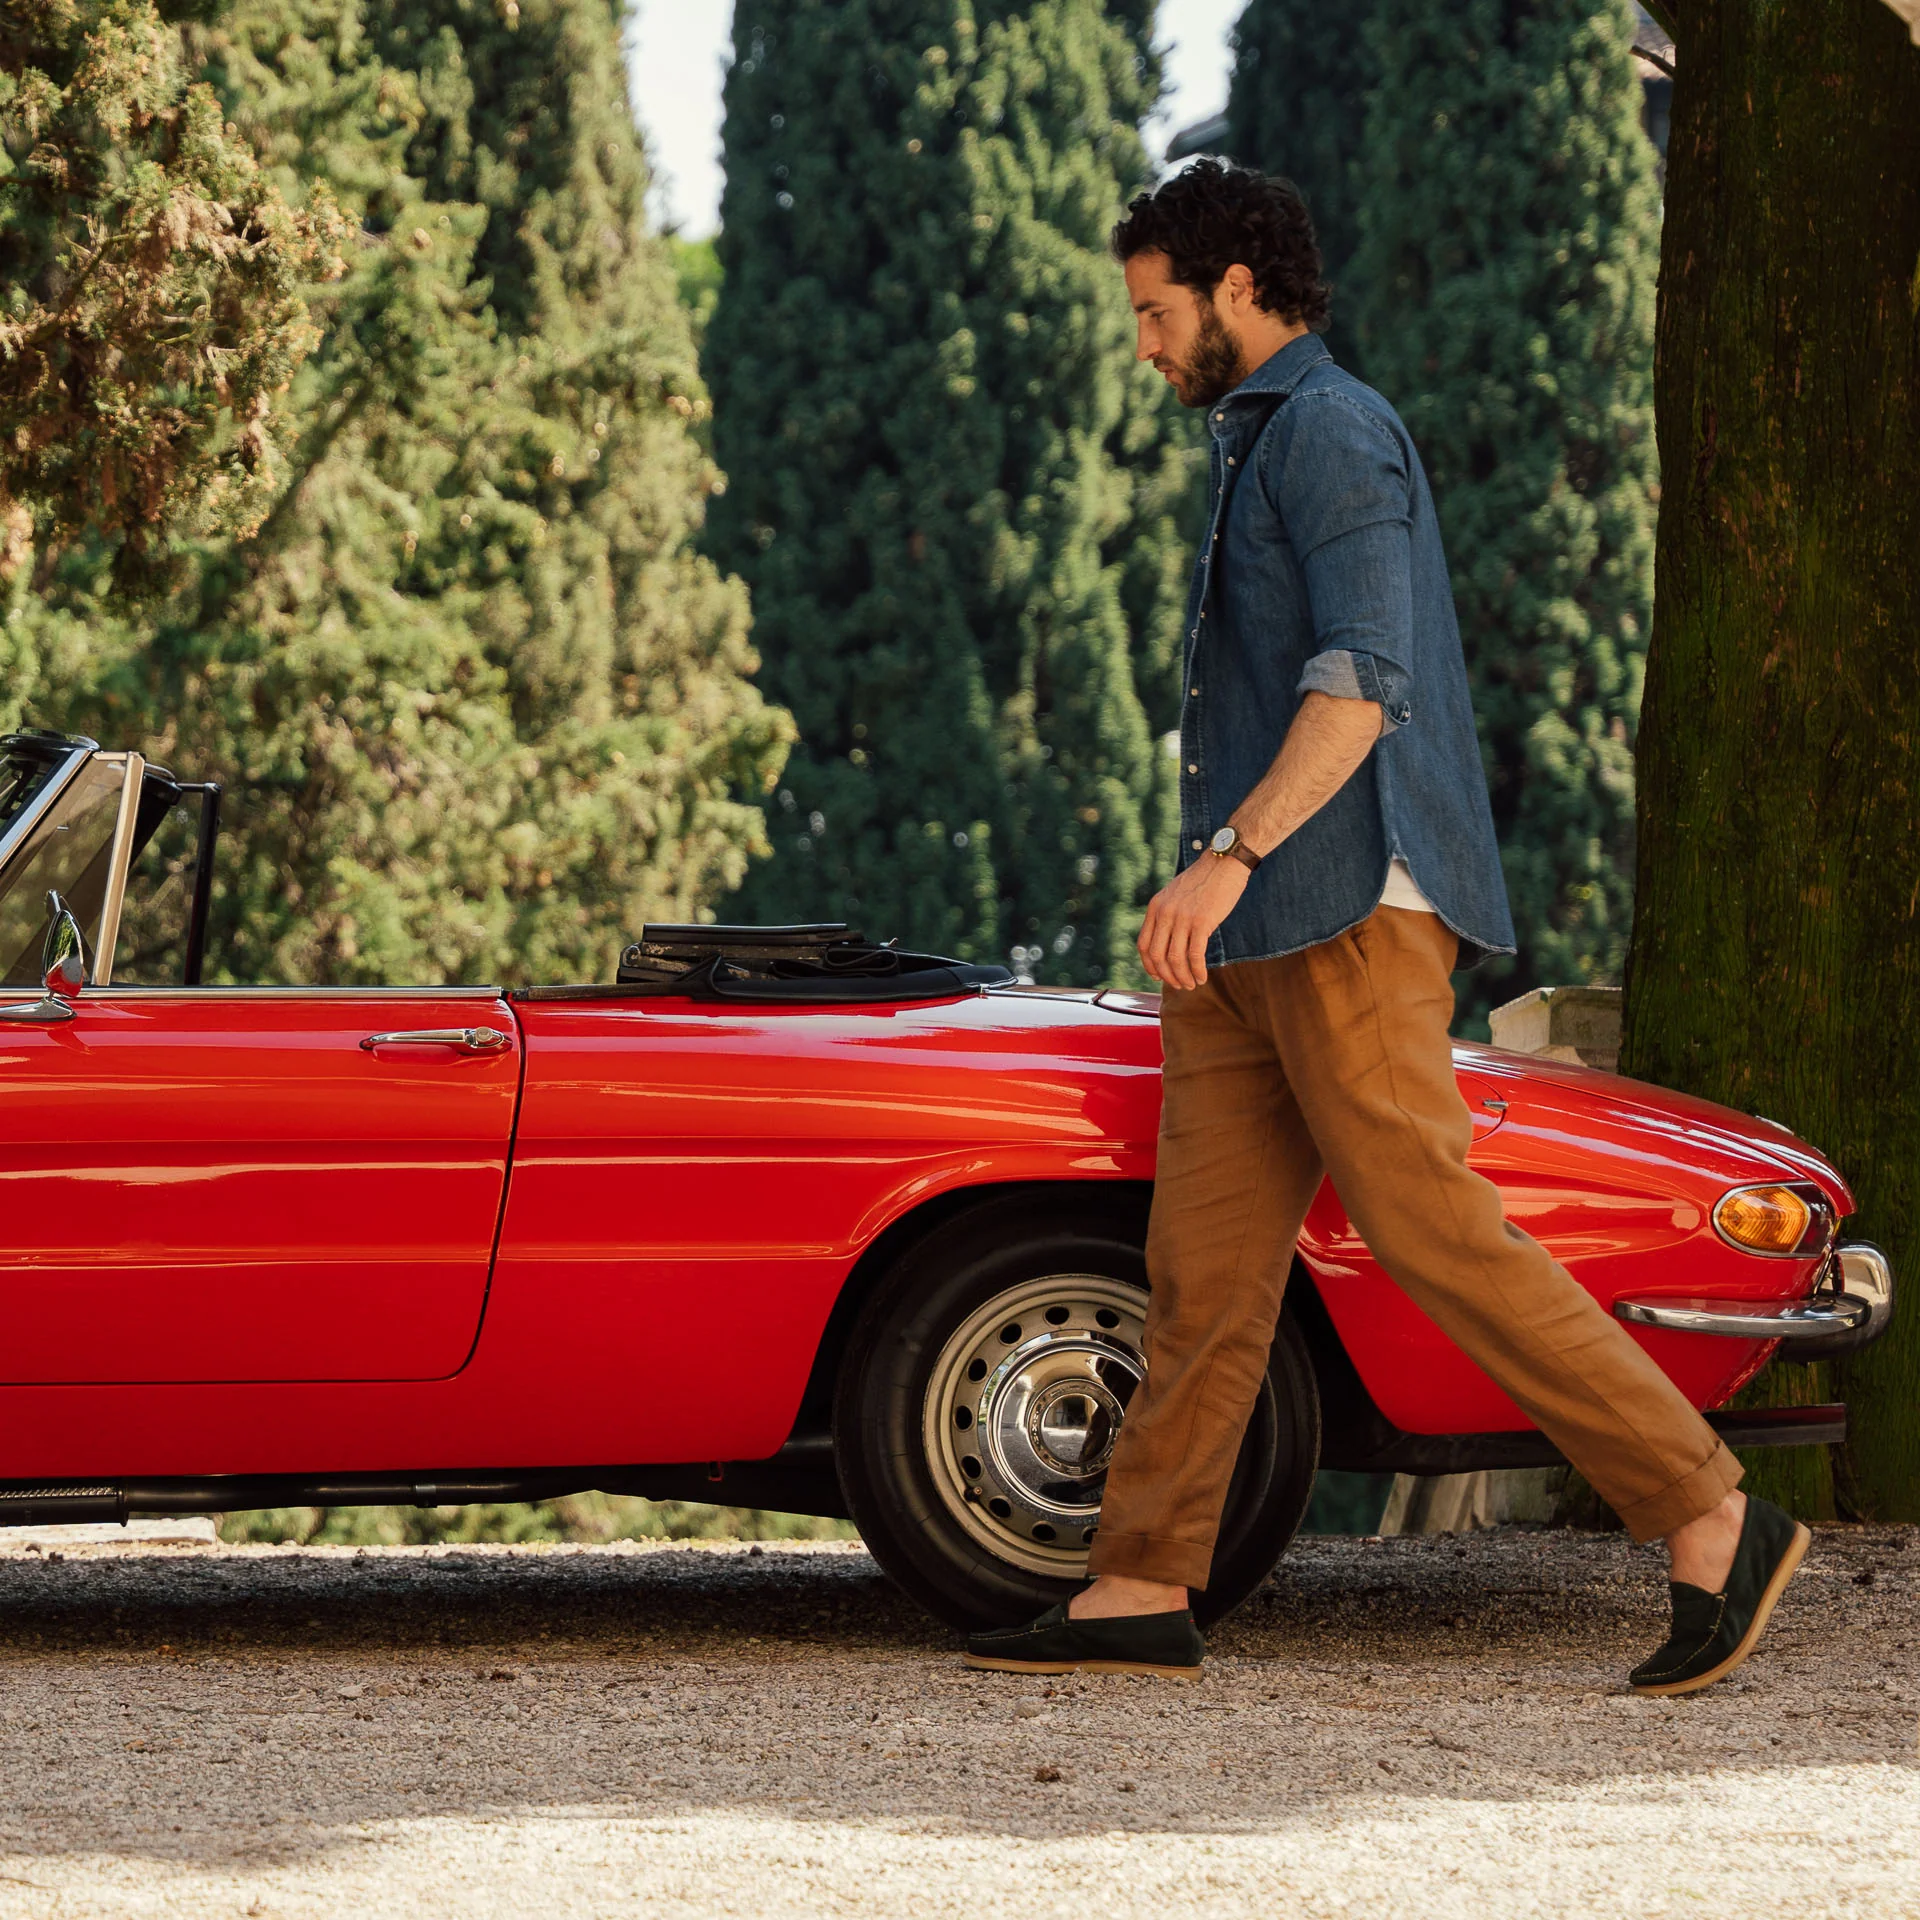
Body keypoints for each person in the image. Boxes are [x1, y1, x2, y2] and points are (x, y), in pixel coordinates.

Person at [964, 159, 1808, 1697]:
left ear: (1235, 288)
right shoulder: (1259, 439)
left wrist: (1228, 856)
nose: (1142, 344)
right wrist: (1222, 887)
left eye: (1155, 312)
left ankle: (1710, 1513)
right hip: (1249, 936)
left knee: (1431, 1228)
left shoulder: (1335, 430)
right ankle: (1140, 1583)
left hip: (1347, 906)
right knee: (1204, 1270)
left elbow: (1363, 680)